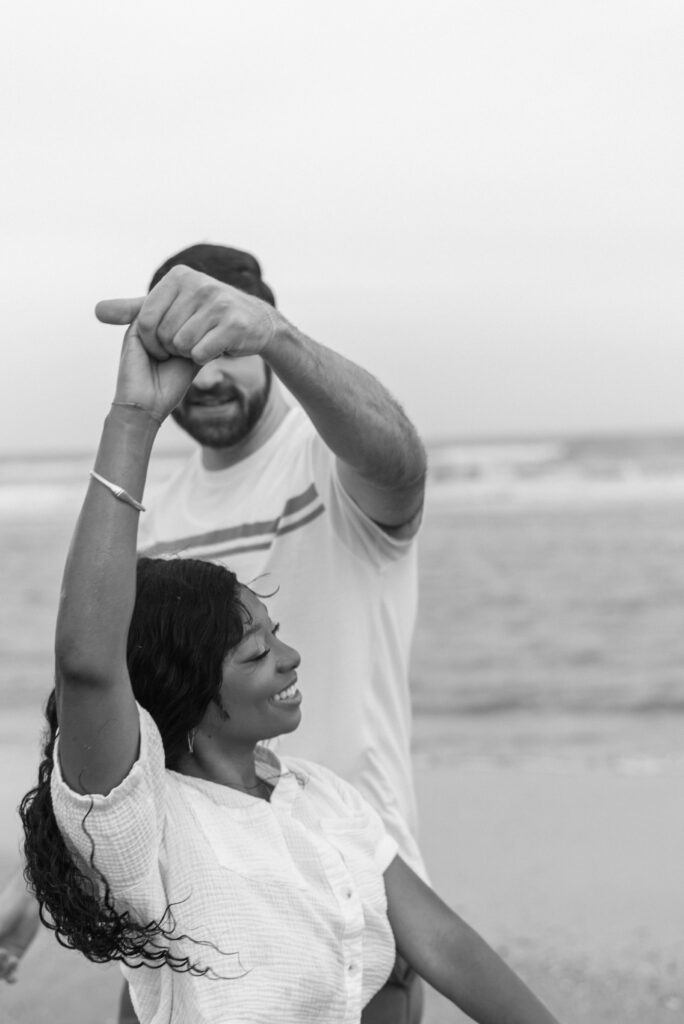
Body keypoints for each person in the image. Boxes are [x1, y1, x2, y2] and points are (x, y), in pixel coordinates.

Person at [20, 293, 562, 1024]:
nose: (292, 656)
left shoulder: (324, 797)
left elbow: (446, 943)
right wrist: (132, 421)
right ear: (183, 686)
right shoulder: (153, 831)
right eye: (257, 649)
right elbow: (92, 665)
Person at [2, 245, 428, 1022]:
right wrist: (32, 886)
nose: (207, 376)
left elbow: (397, 467)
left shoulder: (327, 466)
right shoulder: (153, 517)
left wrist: (279, 335)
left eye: (228, 346)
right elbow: (116, 715)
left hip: (352, 887)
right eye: (183, 351)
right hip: (194, 912)